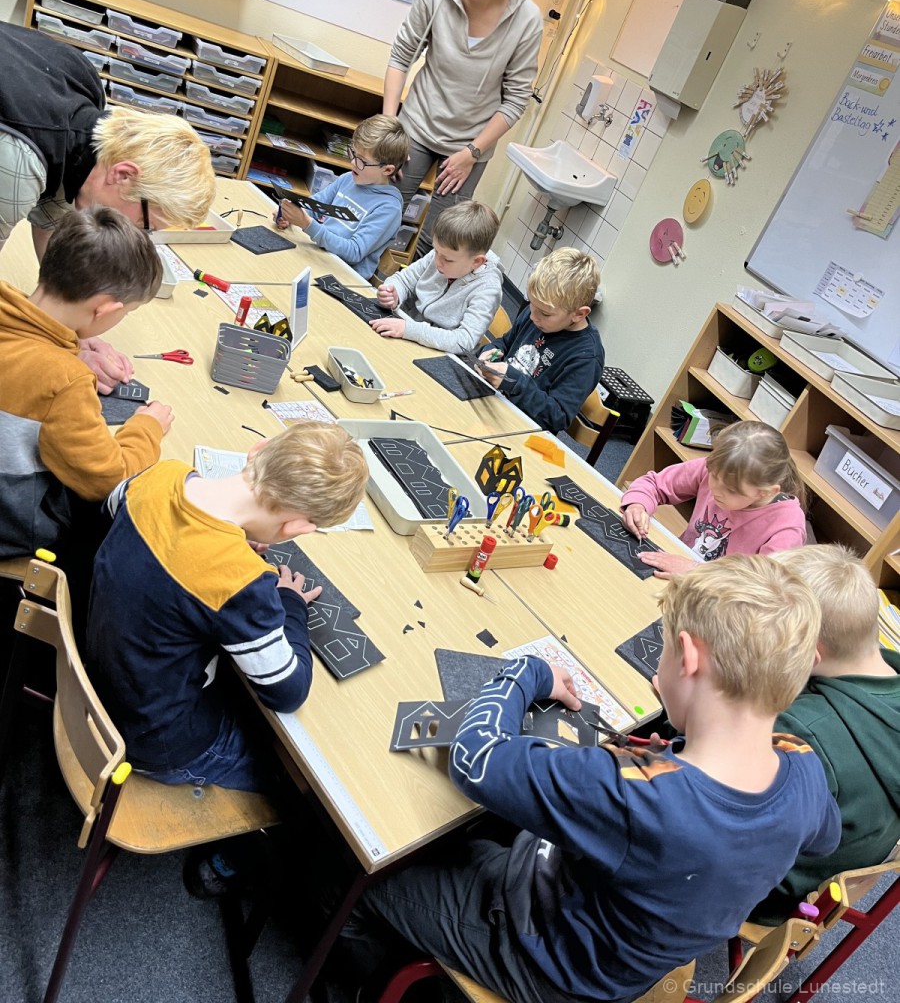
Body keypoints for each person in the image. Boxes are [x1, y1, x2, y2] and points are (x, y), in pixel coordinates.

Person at [319, 556, 840, 1003]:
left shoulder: (636, 792)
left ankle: (371, 987)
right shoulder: (803, 769)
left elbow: (475, 759)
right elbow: (825, 838)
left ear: (688, 657)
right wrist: (677, 756)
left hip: (546, 958)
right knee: (475, 834)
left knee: (353, 874)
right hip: (625, 959)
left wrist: (527, 672)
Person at [86, 423, 368, 793]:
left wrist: (225, 540)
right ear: (297, 527)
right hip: (156, 741)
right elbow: (288, 692)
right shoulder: (240, 581)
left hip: (101, 683)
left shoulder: (159, 475)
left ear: (257, 451)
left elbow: (108, 516)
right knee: (294, 774)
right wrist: (292, 603)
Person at [0, 20, 215, 390]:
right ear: (123, 174)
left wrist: (71, 321)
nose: (137, 234)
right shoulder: (20, 161)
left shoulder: (89, 115)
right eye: (147, 225)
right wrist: (59, 346)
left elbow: (52, 218)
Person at [0, 207, 173, 560]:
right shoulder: (65, 380)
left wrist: (71, 345)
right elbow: (107, 480)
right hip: (12, 529)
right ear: (104, 310)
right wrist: (146, 428)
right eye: (126, 312)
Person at [749, 544, 900, 925]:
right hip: (816, 881)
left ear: (807, 651)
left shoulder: (803, 732)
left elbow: (710, 796)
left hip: (763, 890)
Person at [383, 0, 543, 260]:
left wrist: (472, 153)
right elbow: (401, 56)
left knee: (440, 245)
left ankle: (407, 297)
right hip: (418, 124)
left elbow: (515, 100)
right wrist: (390, 125)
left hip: (471, 142)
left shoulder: (527, 20)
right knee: (382, 214)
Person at [621, 419, 807, 577]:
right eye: (713, 476)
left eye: (731, 490)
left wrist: (694, 571)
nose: (716, 490)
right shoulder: (720, 469)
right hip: (677, 568)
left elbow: (762, 587)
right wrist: (638, 504)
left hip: (717, 599)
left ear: (766, 492)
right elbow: (655, 483)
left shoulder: (786, 528)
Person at [475, 247, 604, 432]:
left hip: (522, 430)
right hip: (493, 404)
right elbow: (505, 343)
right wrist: (491, 351)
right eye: (531, 304)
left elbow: (557, 417)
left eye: (545, 313)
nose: (533, 316)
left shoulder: (587, 357)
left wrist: (513, 383)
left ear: (579, 314)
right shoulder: (536, 315)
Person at [275, 115, 406, 281]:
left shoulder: (389, 209)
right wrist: (291, 215)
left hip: (344, 279)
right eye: (353, 153)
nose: (353, 163)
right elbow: (314, 206)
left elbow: (354, 252)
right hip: (319, 259)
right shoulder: (347, 179)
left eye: (362, 161)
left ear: (387, 170)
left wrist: (307, 224)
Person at [369, 200, 502, 353]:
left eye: (448, 260)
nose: (437, 261)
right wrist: (394, 293)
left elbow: (463, 341)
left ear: (476, 262)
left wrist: (410, 330)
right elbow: (403, 280)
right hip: (408, 331)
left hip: (439, 352)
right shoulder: (441, 254)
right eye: (436, 251)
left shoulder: (487, 289)